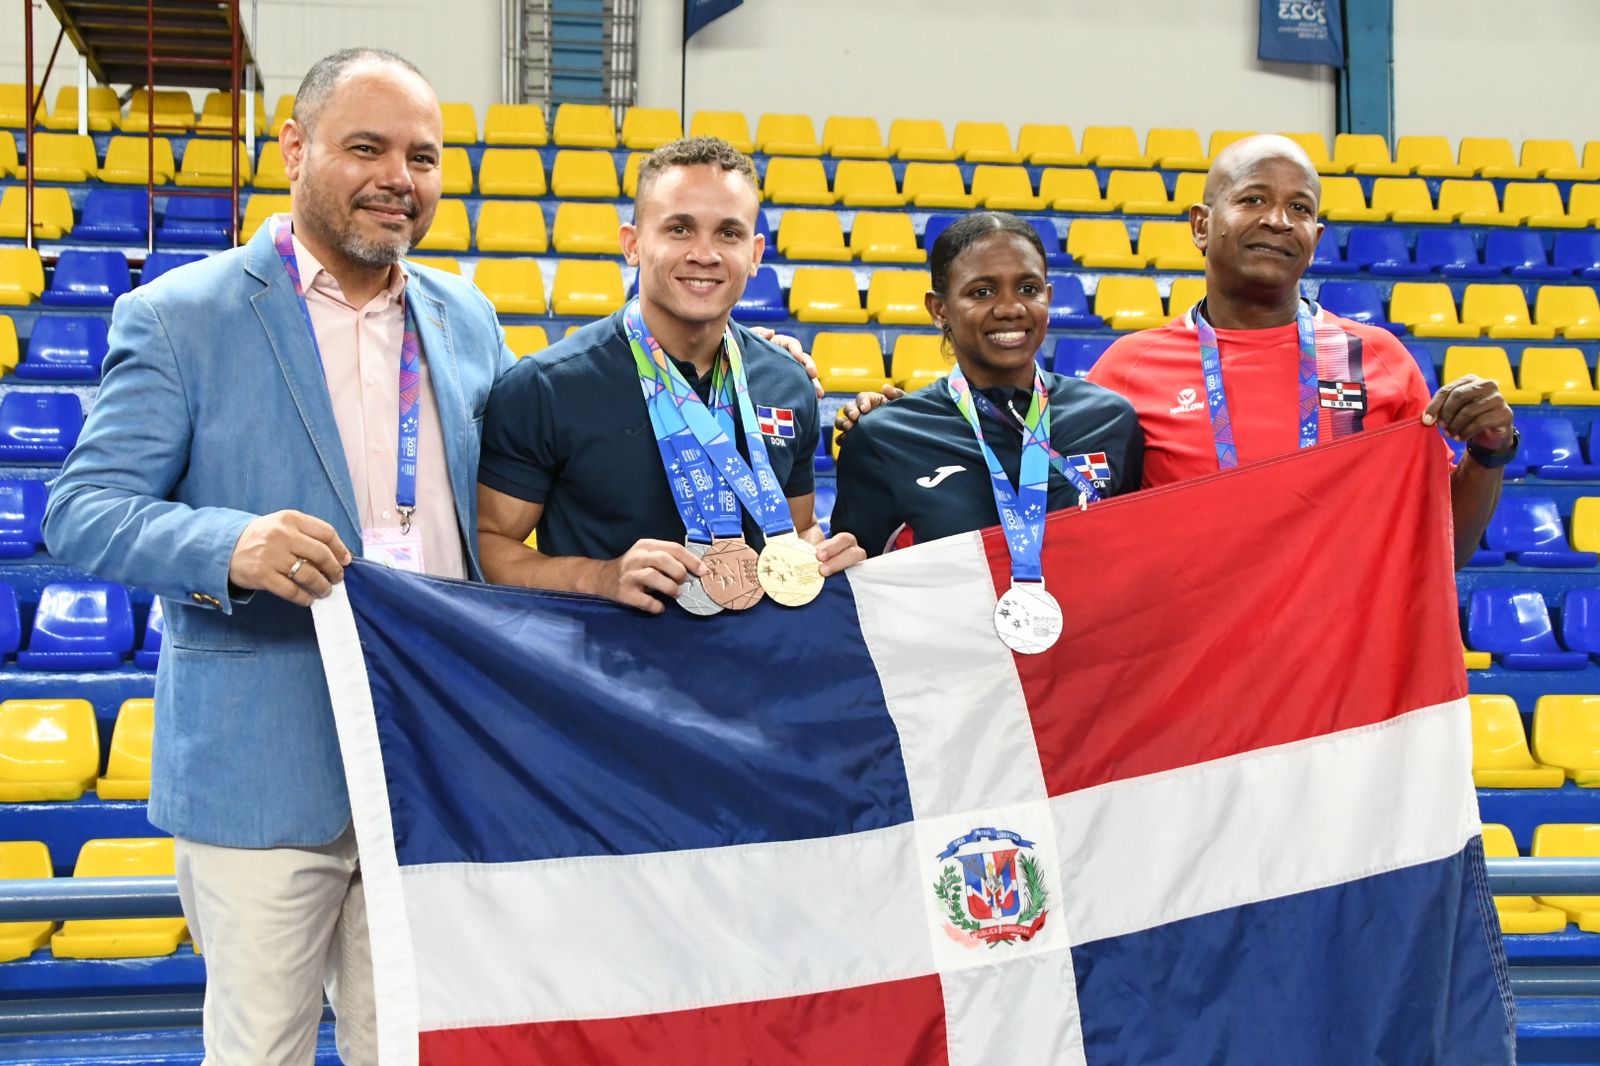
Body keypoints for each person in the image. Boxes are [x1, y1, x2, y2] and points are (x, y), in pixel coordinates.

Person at [42, 48, 511, 1065]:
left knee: (418, 1047)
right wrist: (229, 542)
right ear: (293, 148)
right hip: (265, 768)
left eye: (423, 157)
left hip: (430, 759)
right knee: (261, 1052)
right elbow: (80, 510)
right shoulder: (182, 314)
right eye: (367, 147)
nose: (400, 177)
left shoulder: (466, 316)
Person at [840, 136, 1514, 568]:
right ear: (1201, 224)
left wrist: (1486, 456)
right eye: (1253, 199)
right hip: (1189, 683)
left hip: (1340, 669)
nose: (1278, 220)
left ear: (1316, 232)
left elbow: (1440, 545)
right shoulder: (1125, 374)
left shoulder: (1380, 359)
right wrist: (906, 420)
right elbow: (1036, 475)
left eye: (1300, 208)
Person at [477, 136, 864, 609]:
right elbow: (488, 544)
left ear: (756, 252)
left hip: (755, 670)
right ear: (633, 244)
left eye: (729, 233)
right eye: (680, 229)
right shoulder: (546, 387)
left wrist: (819, 558)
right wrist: (601, 577)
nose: (705, 253)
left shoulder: (788, 381)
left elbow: (798, 527)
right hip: (603, 674)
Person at [829, 212, 1142, 558]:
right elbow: (858, 585)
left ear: (1048, 298)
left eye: (1028, 289)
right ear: (939, 310)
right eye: (982, 292)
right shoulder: (884, 437)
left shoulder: (1110, 420)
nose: (1010, 308)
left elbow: (1131, 555)